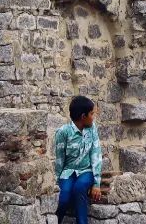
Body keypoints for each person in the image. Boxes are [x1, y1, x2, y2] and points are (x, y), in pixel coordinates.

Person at [53, 95, 102, 224]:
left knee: (79, 188)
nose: (93, 117)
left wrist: (96, 183)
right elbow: (59, 160)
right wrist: (56, 182)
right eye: (91, 114)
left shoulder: (92, 129)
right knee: (63, 198)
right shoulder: (63, 132)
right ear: (83, 116)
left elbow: (96, 154)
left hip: (86, 171)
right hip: (68, 172)